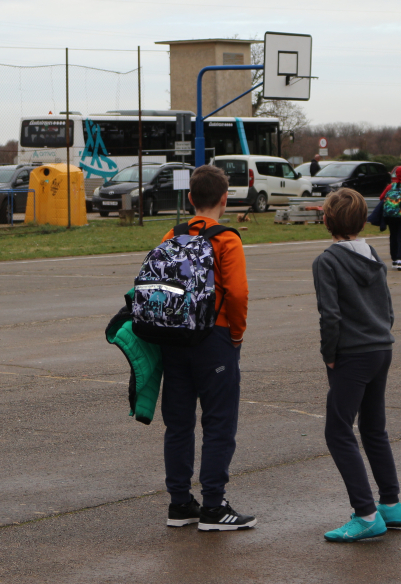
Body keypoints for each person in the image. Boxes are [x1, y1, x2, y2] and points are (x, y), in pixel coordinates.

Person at [161, 165, 255, 532]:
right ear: (224, 199)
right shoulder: (227, 239)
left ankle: (180, 502)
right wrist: (237, 333)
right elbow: (238, 293)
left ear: (189, 199)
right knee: (218, 421)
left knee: (179, 423)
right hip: (213, 338)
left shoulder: (173, 233)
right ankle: (214, 505)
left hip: (175, 337)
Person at [312, 187, 401, 542]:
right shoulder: (373, 254)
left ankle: (366, 513)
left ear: (326, 219)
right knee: (373, 427)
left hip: (351, 354)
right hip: (381, 348)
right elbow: (388, 307)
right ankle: (391, 504)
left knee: (338, 431)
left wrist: (329, 355)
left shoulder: (327, 261)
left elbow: (329, 315)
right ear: (364, 220)